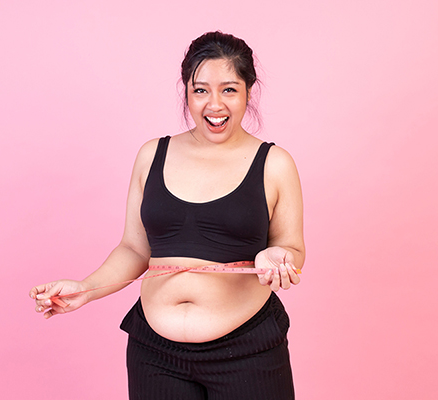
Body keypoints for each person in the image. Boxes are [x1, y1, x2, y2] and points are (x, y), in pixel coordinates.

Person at [30, 31, 305, 400]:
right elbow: (133, 249)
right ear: (186, 92)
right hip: (155, 356)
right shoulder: (151, 155)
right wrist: (86, 288)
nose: (214, 104)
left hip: (247, 352)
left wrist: (277, 256)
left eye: (228, 90)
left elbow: (292, 248)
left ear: (248, 92)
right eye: (200, 90)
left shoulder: (274, 164)